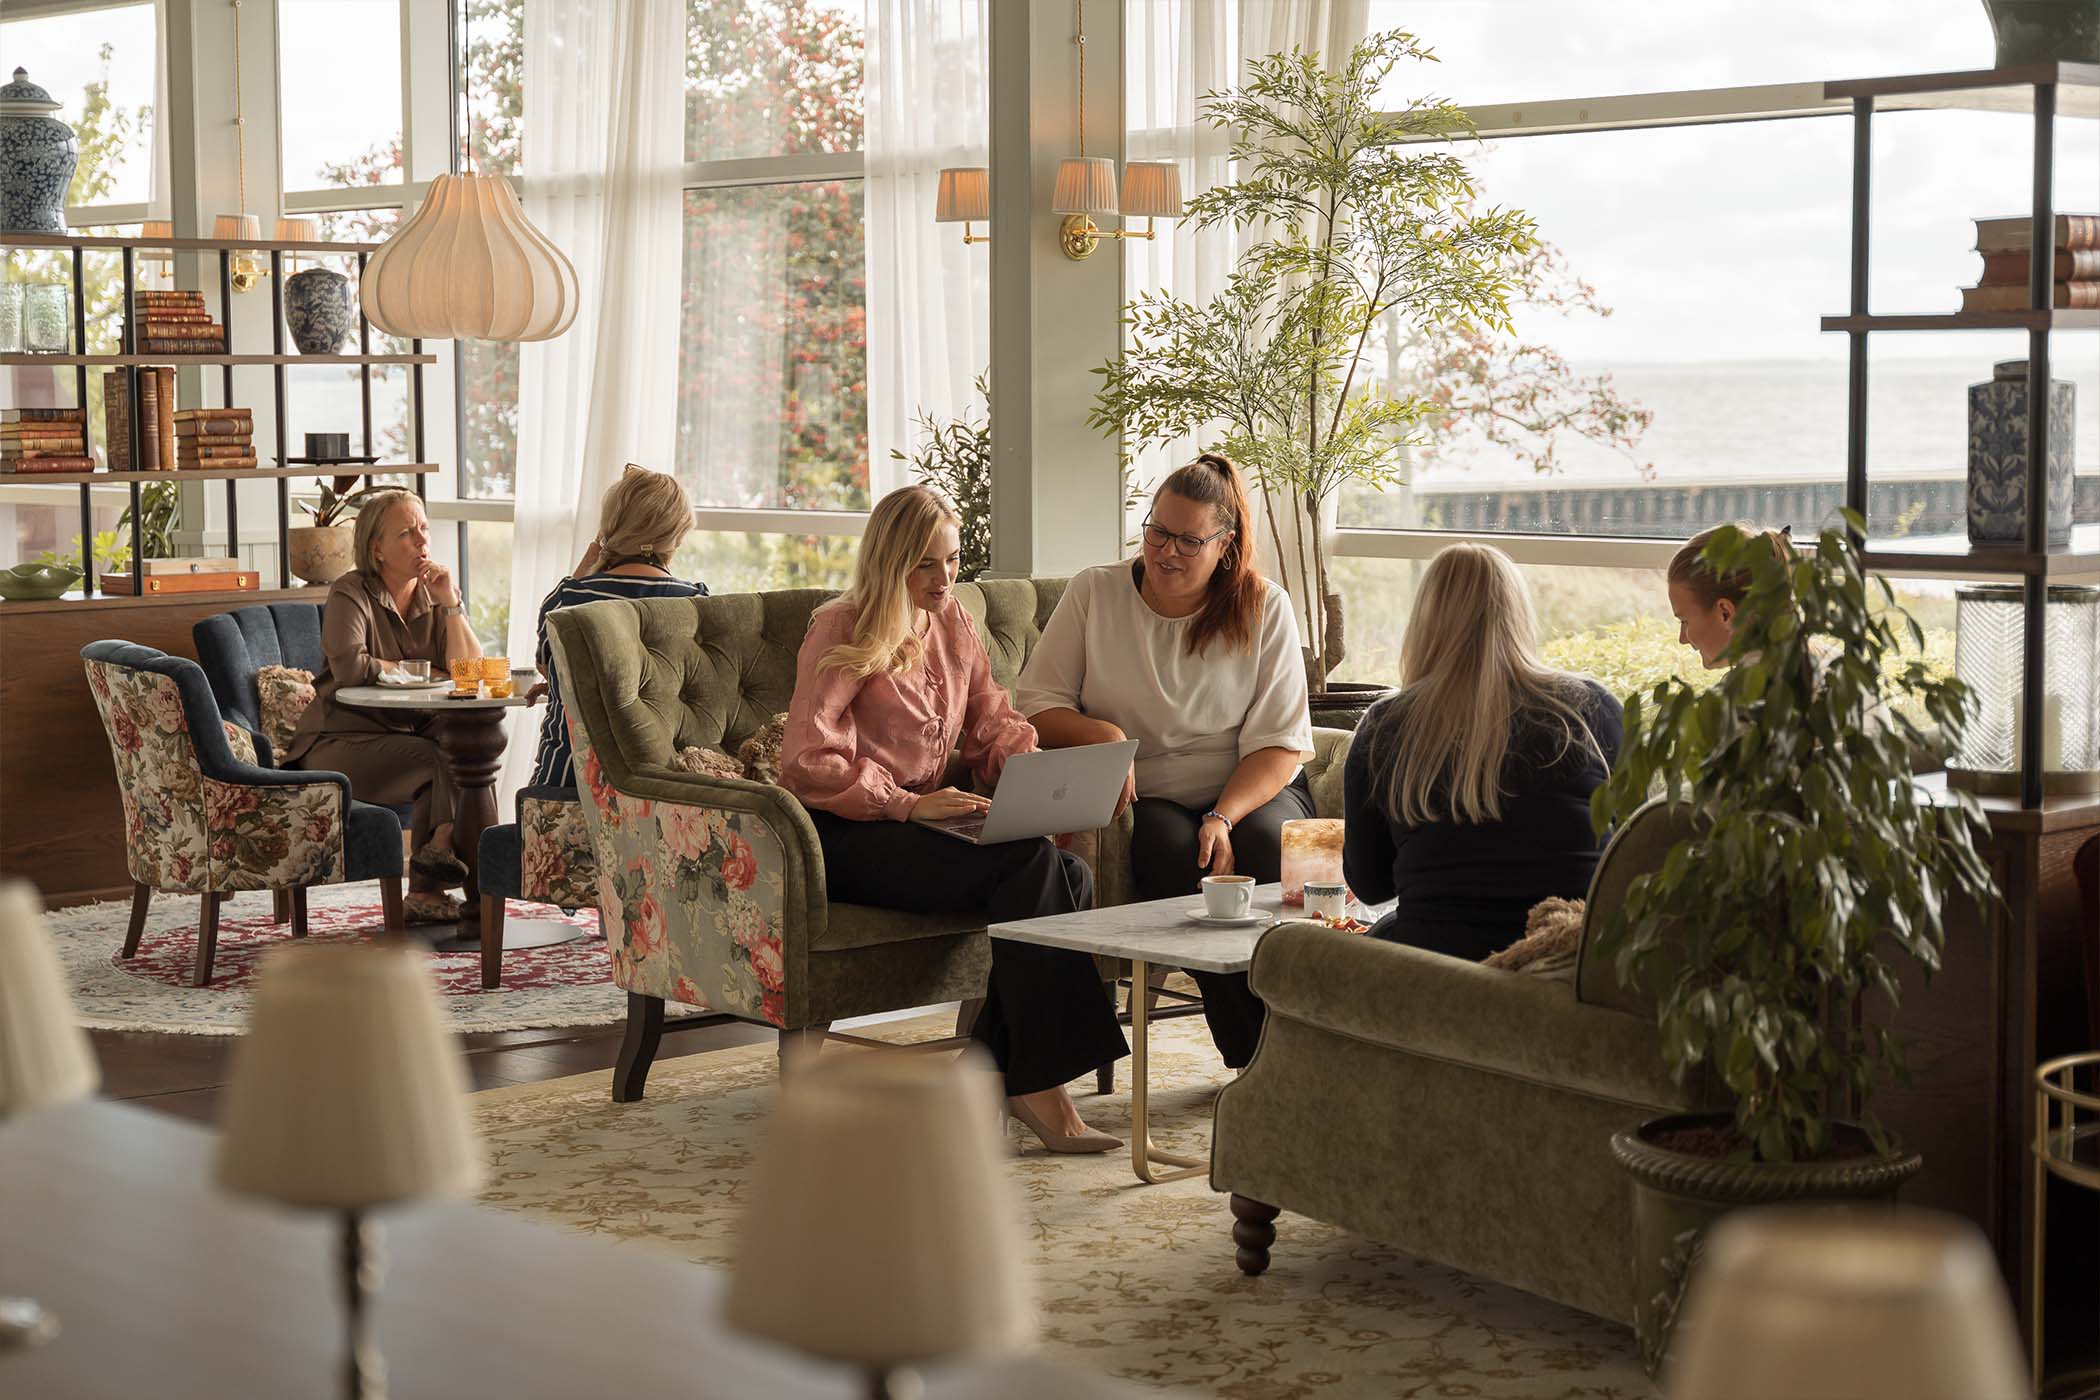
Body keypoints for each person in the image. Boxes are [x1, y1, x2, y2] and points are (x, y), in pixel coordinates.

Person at [777, 485, 1130, 1153]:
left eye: (953, 559)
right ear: (890, 561)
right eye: (926, 564)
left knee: (1070, 876)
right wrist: (908, 804)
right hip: (850, 836)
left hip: (927, 828)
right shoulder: (841, 626)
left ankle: (991, 1072)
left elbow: (992, 721)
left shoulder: (956, 624)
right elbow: (808, 761)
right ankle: (1038, 1090)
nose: (945, 579)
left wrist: (1035, 777)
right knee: (1033, 866)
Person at [1017, 453, 1315, 1070]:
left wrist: (1224, 816)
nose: (1166, 551)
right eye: (1158, 531)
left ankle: (1306, 1043)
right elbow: (1036, 706)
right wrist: (1104, 734)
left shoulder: (1264, 606)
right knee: (1175, 855)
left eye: (1188, 539)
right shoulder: (1095, 591)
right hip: (1148, 796)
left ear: (1225, 545)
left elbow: (1280, 743)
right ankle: (1256, 1060)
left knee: (1271, 847)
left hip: (1250, 789)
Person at [1342, 543, 1621, 961]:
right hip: (1567, 964)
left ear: (1423, 622)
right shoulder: (1591, 707)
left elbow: (1370, 885)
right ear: (1518, 615)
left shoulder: (1384, 726)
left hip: (1440, 971)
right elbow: (1635, 848)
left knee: (1374, 938)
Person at [284, 488, 483, 923]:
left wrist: (452, 605)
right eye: (408, 534)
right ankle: (439, 855)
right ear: (377, 547)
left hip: (404, 741)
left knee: (469, 760)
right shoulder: (350, 592)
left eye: (424, 530)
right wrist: (414, 670)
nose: (422, 542)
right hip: (339, 740)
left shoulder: (434, 595)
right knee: (442, 761)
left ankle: (446, 894)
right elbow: (351, 667)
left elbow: (469, 671)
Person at [528, 465, 709, 789]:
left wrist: (598, 550)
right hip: (663, 797)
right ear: (677, 534)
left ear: (609, 526)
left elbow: (546, 667)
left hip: (564, 787)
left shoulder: (567, 598)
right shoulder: (695, 603)